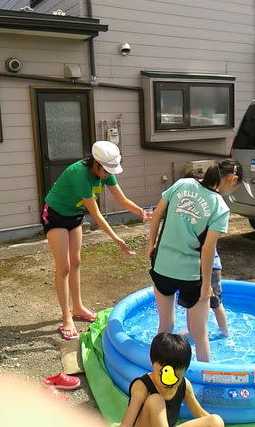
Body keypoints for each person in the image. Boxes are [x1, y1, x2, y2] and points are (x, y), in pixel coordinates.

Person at [41, 141, 146, 340]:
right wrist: (118, 240)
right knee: (64, 266)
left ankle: (78, 307)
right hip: (55, 215)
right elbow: (97, 215)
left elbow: (122, 200)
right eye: (106, 170)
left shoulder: (106, 170)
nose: (108, 174)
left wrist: (140, 211)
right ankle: (66, 318)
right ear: (96, 163)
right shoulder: (79, 174)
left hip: (75, 216)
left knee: (77, 262)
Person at [148, 160, 243, 362]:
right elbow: (208, 249)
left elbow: (157, 213)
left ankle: (155, 375)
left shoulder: (183, 184)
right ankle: (205, 385)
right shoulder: (220, 207)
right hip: (192, 276)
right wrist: (207, 285)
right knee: (200, 335)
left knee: (165, 326)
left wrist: (151, 245)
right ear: (232, 179)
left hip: (162, 266)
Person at [120, 332, 224, 427]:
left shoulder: (184, 385)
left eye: (176, 376)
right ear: (152, 363)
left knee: (216, 421)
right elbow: (126, 424)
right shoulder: (142, 386)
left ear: (184, 371)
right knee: (155, 400)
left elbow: (200, 413)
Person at [183, 169, 229, 337]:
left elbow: (208, 246)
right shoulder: (189, 212)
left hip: (211, 266)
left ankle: (225, 332)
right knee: (190, 302)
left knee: (215, 302)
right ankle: (190, 332)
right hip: (193, 265)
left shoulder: (212, 209)